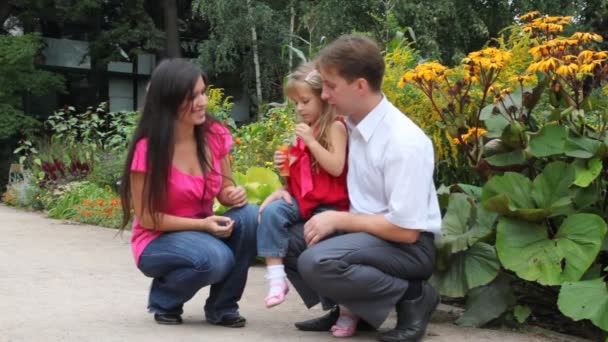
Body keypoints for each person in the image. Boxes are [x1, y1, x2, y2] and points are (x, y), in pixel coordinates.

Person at [283, 35, 442, 341]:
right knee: (284, 240)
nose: (324, 95)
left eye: (330, 86)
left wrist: (339, 220)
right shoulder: (351, 126)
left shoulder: (403, 141)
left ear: (359, 86)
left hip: (406, 246)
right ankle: (357, 308)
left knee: (317, 261)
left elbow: (406, 230)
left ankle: (414, 296)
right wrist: (284, 190)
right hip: (364, 234)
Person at [119, 58, 259, 328]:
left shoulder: (214, 135)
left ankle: (223, 306)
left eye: (203, 92)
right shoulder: (148, 150)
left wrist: (232, 195)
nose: (203, 102)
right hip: (157, 240)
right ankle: (165, 299)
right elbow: (148, 218)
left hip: (201, 233)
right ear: (169, 101)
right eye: (192, 96)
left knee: (251, 216)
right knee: (215, 259)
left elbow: (225, 188)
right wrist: (202, 225)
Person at [256, 62, 349, 314]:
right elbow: (303, 174)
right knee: (272, 212)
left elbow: (336, 167)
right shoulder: (306, 130)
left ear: (323, 98)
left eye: (305, 101)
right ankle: (276, 278)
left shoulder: (335, 127)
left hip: (329, 206)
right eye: (296, 103)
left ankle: (342, 308)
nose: (299, 108)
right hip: (305, 201)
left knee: (316, 243)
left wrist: (310, 141)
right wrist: (284, 171)